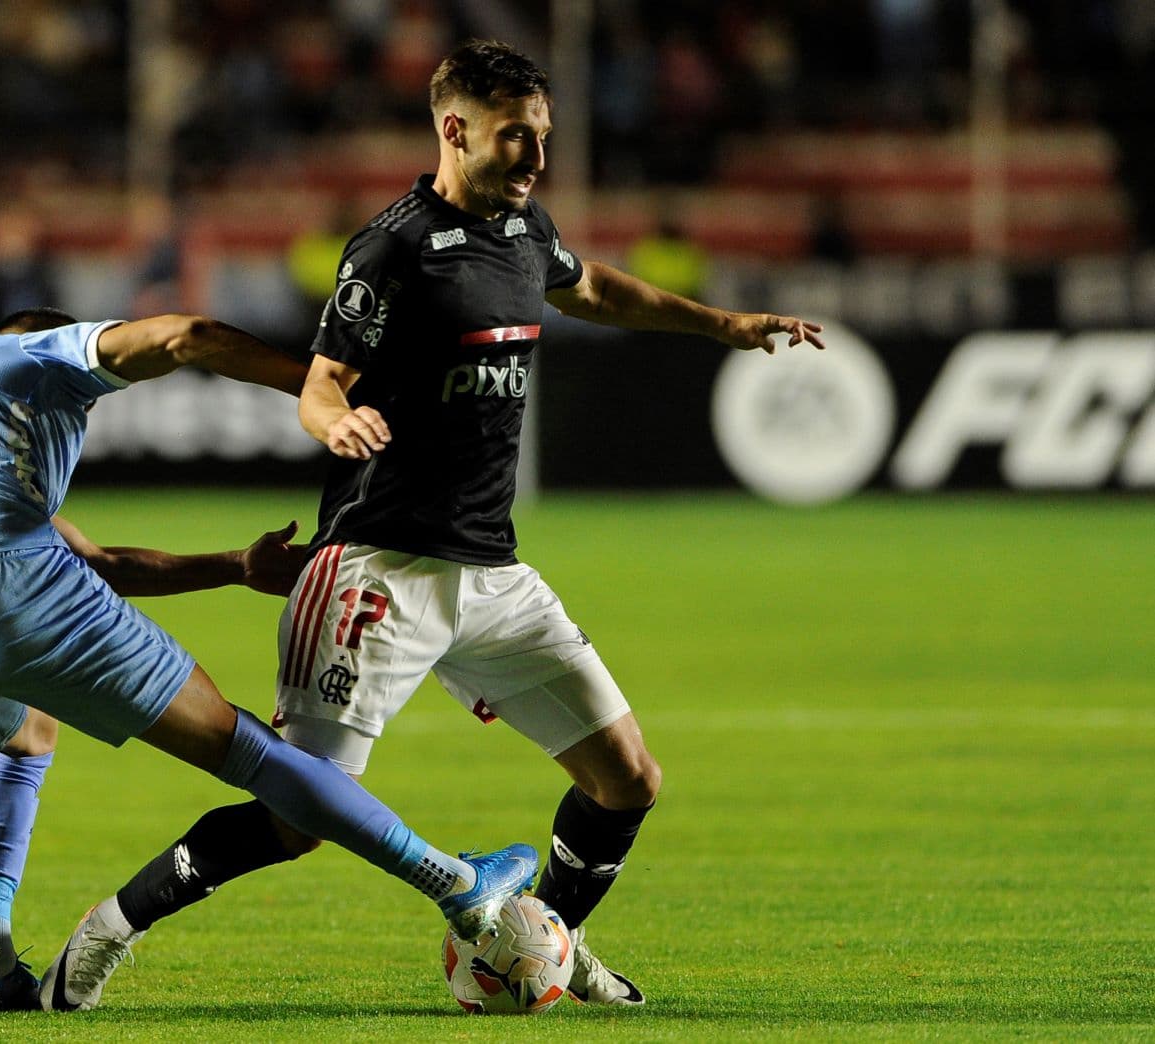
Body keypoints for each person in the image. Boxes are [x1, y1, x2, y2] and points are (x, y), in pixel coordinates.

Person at [51, 39, 827, 1012]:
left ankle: (547, 939)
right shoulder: (393, 247)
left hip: (491, 573)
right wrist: (337, 420)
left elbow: (591, 288)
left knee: (628, 777)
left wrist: (726, 325)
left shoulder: (526, 228)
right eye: (517, 136)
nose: (537, 155)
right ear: (455, 130)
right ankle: (107, 931)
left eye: (542, 134)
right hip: (376, 572)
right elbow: (323, 382)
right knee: (297, 819)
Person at [0, 305, 539, 1013]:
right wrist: (325, 392)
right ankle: (454, 882)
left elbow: (93, 560)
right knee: (249, 753)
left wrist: (236, 565)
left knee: (24, 739)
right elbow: (190, 337)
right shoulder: (32, 356)